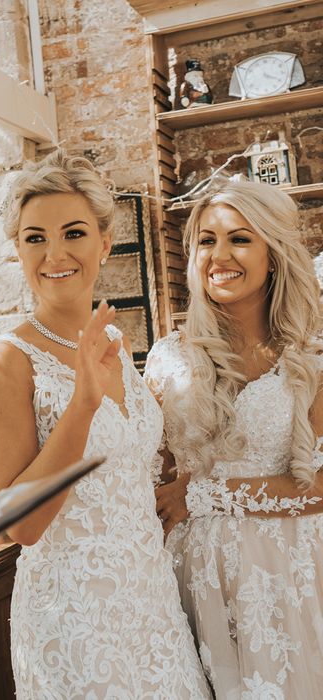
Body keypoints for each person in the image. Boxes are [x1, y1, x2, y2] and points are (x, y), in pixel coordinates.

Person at [0, 151, 209, 698]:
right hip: (73, 620)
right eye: (34, 238)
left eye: (73, 233)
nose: (54, 253)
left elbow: (127, 481)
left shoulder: (117, 345)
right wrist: (81, 406)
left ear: (104, 243)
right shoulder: (4, 362)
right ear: (18, 250)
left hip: (152, 608)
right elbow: (21, 528)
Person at [146, 179, 323, 697]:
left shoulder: (313, 359)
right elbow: (152, 483)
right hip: (195, 576)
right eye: (206, 240)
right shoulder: (166, 359)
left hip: (288, 575)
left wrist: (200, 496)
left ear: (273, 254)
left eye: (239, 239)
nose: (219, 255)